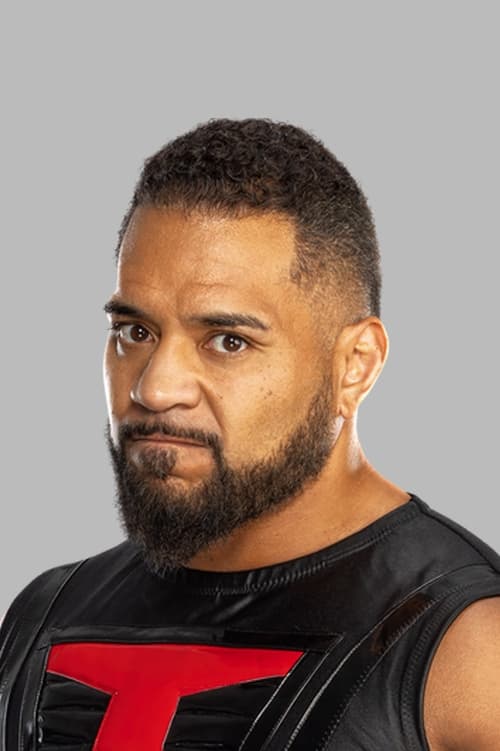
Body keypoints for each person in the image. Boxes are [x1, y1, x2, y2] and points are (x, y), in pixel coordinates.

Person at [1, 119, 499, 751]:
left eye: (228, 341)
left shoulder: (471, 648)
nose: (155, 387)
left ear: (356, 365)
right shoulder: (44, 616)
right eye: (135, 332)